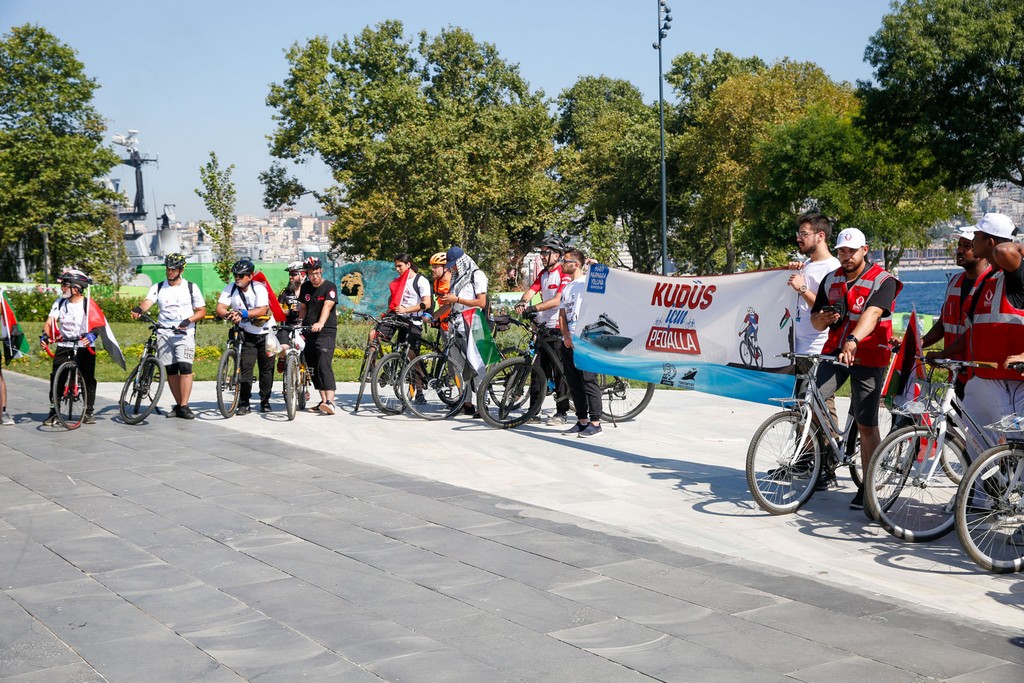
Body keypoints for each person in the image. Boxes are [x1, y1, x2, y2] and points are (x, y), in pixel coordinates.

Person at [810, 227, 902, 510]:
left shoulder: (883, 281)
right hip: (835, 354)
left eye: (852, 251)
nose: (846, 256)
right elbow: (815, 322)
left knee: (866, 424)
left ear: (865, 250)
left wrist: (853, 340)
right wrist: (823, 318)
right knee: (813, 399)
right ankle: (829, 455)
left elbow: (873, 314)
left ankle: (869, 488)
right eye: (841, 251)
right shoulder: (832, 278)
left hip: (869, 357)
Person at [938, 213, 1023, 461]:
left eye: (976, 236)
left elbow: (1006, 250)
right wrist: (946, 353)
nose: (971, 239)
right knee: (977, 452)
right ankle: (977, 499)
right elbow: (974, 331)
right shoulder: (985, 281)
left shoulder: (1016, 277)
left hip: (1013, 380)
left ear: (990, 243)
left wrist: (1008, 243)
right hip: (983, 378)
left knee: (1015, 451)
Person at [131, 253, 207, 419]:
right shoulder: (158, 287)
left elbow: (202, 311)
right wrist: (139, 309)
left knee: (185, 367)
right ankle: (179, 405)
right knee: (171, 370)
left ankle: (185, 405)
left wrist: (189, 320)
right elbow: (147, 302)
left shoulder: (191, 287)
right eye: (168, 268)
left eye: (173, 269)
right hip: (164, 332)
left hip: (184, 333)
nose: (169, 271)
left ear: (180, 270)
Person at [919, 224, 990, 399]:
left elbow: (978, 333)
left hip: (981, 375)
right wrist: (918, 344)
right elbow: (943, 324)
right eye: (959, 246)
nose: (959, 251)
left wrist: (944, 354)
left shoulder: (992, 281)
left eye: (967, 246)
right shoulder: (955, 282)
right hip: (956, 372)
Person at [514, 235, 571, 425]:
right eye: (541, 252)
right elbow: (531, 291)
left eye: (545, 252)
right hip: (544, 327)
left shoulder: (564, 274)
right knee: (538, 370)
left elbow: (558, 300)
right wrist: (523, 302)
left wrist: (534, 308)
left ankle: (561, 413)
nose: (542, 256)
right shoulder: (543, 275)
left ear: (556, 255)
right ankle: (533, 411)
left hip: (558, 326)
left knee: (559, 370)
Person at [42, 270, 99, 426]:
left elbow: (97, 324)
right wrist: (44, 336)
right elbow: (50, 322)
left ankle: (88, 411)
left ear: (76, 287)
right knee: (57, 377)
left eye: (65, 285)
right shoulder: (59, 303)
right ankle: (54, 411)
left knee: (88, 378)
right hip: (64, 344)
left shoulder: (88, 304)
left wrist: (92, 336)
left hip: (83, 344)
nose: (62, 288)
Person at [216, 259, 272, 415]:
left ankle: (265, 400)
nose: (238, 278)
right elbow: (220, 307)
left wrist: (243, 313)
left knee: (266, 369)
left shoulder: (259, 288)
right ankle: (244, 403)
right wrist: (228, 314)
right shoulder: (230, 289)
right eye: (236, 275)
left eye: (241, 275)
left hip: (265, 332)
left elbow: (262, 309)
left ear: (250, 276)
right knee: (246, 368)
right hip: (247, 334)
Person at [438, 246, 488, 416]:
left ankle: (482, 403)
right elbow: (449, 304)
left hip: (472, 320)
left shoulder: (477, 275)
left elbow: (481, 302)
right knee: (459, 365)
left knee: (477, 364)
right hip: (456, 322)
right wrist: (434, 316)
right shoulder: (456, 278)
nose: (452, 267)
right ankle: (465, 402)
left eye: (454, 264)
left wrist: (457, 299)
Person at [558, 248, 602, 438]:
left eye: (564, 260)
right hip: (569, 341)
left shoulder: (587, 283)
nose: (561, 263)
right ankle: (582, 420)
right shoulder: (567, 287)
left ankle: (596, 423)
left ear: (575, 264)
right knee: (574, 382)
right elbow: (562, 314)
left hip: (586, 340)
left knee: (588, 380)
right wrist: (566, 335)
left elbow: (606, 287)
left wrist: (597, 268)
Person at [298, 256, 338, 414]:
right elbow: (303, 308)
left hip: (326, 330)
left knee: (323, 363)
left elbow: (327, 306)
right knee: (312, 365)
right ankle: (323, 401)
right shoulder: (305, 287)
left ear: (321, 270)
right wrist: (299, 323)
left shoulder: (330, 286)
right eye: (311, 274)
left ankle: (330, 401)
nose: (315, 277)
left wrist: (320, 323)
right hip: (309, 330)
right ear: (307, 274)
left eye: (317, 273)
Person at [376, 253, 432, 357]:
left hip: (413, 320)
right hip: (397, 317)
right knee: (374, 336)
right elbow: (392, 298)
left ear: (408, 264)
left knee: (411, 355)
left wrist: (405, 310)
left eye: (399, 266)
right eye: (395, 267)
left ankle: (419, 373)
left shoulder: (421, 281)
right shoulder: (398, 281)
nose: (397, 269)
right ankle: (374, 368)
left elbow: (427, 303)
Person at [275, 261, 306, 367]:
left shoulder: (308, 291)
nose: (290, 277)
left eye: (293, 274)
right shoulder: (285, 292)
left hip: (304, 325)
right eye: (290, 274)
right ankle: (282, 358)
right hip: (286, 325)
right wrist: (289, 311)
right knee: (283, 347)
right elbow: (277, 310)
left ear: (303, 275)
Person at [428, 252, 452, 331]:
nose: (432, 269)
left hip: (455, 325)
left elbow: (449, 305)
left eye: (435, 266)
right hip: (443, 323)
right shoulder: (437, 282)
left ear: (445, 268)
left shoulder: (453, 282)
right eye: (432, 266)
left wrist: (433, 316)